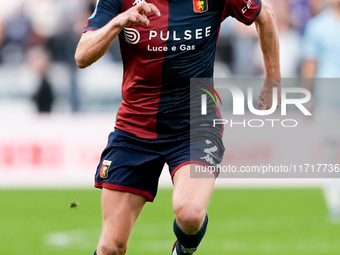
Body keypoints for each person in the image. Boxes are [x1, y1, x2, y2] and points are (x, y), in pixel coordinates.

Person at [75, 0, 281, 254]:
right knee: (110, 247)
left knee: (191, 212)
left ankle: (182, 250)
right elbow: (82, 56)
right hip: (135, 129)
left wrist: (273, 79)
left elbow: (266, 14)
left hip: (196, 123)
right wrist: (118, 22)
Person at [301, 0, 340, 221]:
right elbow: (310, 63)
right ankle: (335, 203)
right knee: (330, 152)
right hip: (328, 97)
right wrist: (308, 99)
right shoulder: (318, 26)